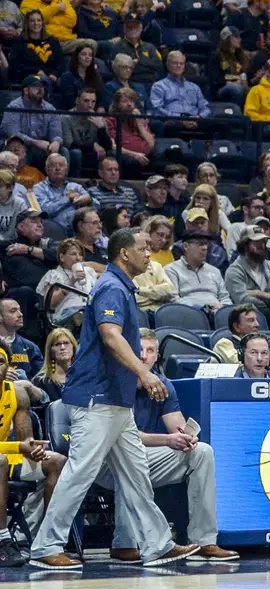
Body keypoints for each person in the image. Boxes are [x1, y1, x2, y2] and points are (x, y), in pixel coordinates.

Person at [30, 229, 201, 569]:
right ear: (125, 254)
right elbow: (110, 336)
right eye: (143, 248)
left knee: (137, 475)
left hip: (115, 402)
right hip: (97, 398)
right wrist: (145, 372)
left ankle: (156, 544)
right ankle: (45, 547)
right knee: (80, 472)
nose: (149, 254)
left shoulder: (121, 287)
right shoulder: (110, 287)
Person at [105, 329, 238, 562]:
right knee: (129, 457)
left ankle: (203, 541)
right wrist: (167, 440)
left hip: (146, 456)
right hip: (108, 459)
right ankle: (124, 543)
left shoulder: (162, 383)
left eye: (150, 350)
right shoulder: (115, 382)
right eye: (139, 350)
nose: (144, 356)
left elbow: (175, 426)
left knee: (202, 452)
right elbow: (124, 436)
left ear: (157, 356)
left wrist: (186, 438)